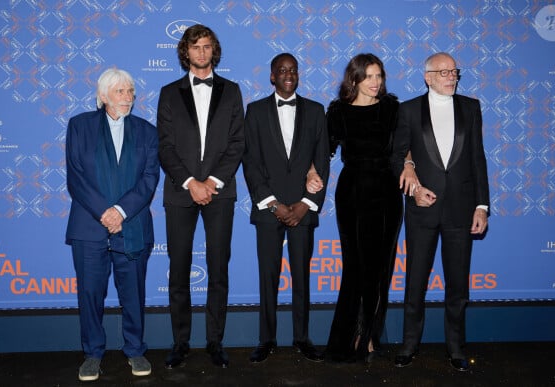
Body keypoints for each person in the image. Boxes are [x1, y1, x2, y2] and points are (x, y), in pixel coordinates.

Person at [391, 52, 489, 372]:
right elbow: (396, 157)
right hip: (422, 209)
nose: (452, 77)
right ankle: (409, 344)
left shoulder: (470, 107)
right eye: (444, 72)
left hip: (461, 210)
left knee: (458, 285)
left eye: (455, 71)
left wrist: (482, 206)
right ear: (428, 77)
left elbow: (478, 159)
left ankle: (456, 347)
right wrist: (414, 188)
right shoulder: (407, 110)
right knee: (415, 281)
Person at [308, 53, 407, 363]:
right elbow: (323, 150)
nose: (376, 82)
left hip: (387, 190)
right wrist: (311, 171)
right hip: (352, 192)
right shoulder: (337, 112)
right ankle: (350, 337)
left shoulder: (392, 108)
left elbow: (406, 145)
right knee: (355, 264)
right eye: (369, 77)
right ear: (354, 79)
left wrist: (412, 166)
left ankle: (370, 337)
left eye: (379, 76)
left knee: (381, 267)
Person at [157, 24, 245, 369]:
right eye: (196, 47)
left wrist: (212, 182)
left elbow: (237, 143)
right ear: (186, 52)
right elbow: (165, 146)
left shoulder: (233, 91)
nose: (202, 52)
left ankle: (215, 341)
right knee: (178, 270)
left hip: (220, 193)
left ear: (214, 50)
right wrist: (192, 182)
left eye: (207, 46)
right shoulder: (168, 93)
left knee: (218, 268)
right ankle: (180, 342)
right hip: (180, 193)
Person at [65, 68, 159, 381]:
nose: (128, 98)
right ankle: (92, 353)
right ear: (104, 95)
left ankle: (135, 350)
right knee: (89, 294)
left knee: (133, 293)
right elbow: (76, 177)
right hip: (89, 228)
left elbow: (149, 180)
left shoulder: (146, 131)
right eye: (120, 91)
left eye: (131, 91)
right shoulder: (80, 126)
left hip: (132, 227)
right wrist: (105, 213)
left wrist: (120, 211)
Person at [242, 53, 330, 364]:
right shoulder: (254, 111)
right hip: (269, 209)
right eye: (282, 70)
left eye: (292, 70)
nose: (288, 74)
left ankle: (302, 338)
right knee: (268, 276)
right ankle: (266, 340)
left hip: (303, 209)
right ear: (272, 76)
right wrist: (274, 204)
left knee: (302, 277)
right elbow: (249, 162)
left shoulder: (317, 111)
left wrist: (306, 205)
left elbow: (322, 161)